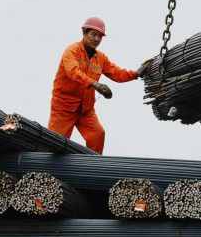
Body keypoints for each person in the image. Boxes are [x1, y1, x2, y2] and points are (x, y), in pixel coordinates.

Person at [48, 17, 149, 154]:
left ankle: (91, 168)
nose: (96, 39)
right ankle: (50, 171)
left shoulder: (101, 58)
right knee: (55, 144)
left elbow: (117, 73)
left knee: (97, 134)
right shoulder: (72, 51)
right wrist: (95, 84)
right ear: (84, 33)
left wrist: (136, 73)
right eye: (93, 35)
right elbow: (73, 72)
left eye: (100, 36)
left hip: (86, 109)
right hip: (64, 107)